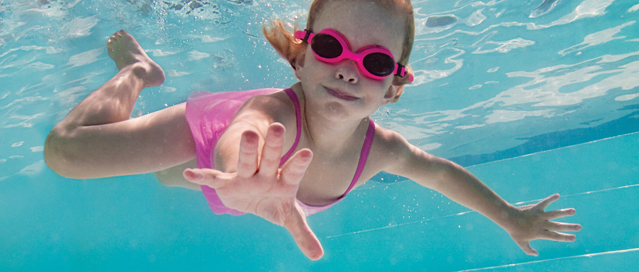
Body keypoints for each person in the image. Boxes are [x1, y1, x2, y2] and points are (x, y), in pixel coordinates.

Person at [44, 0, 580, 261]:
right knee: (64, 155)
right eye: (330, 48)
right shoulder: (272, 113)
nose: (348, 69)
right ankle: (138, 72)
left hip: (244, 188)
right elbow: (251, 129)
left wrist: (509, 216)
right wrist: (240, 168)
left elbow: (440, 174)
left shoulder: (381, 151)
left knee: (165, 179)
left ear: (393, 85)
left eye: (373, 62)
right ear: (301, 58)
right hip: (217, 142)